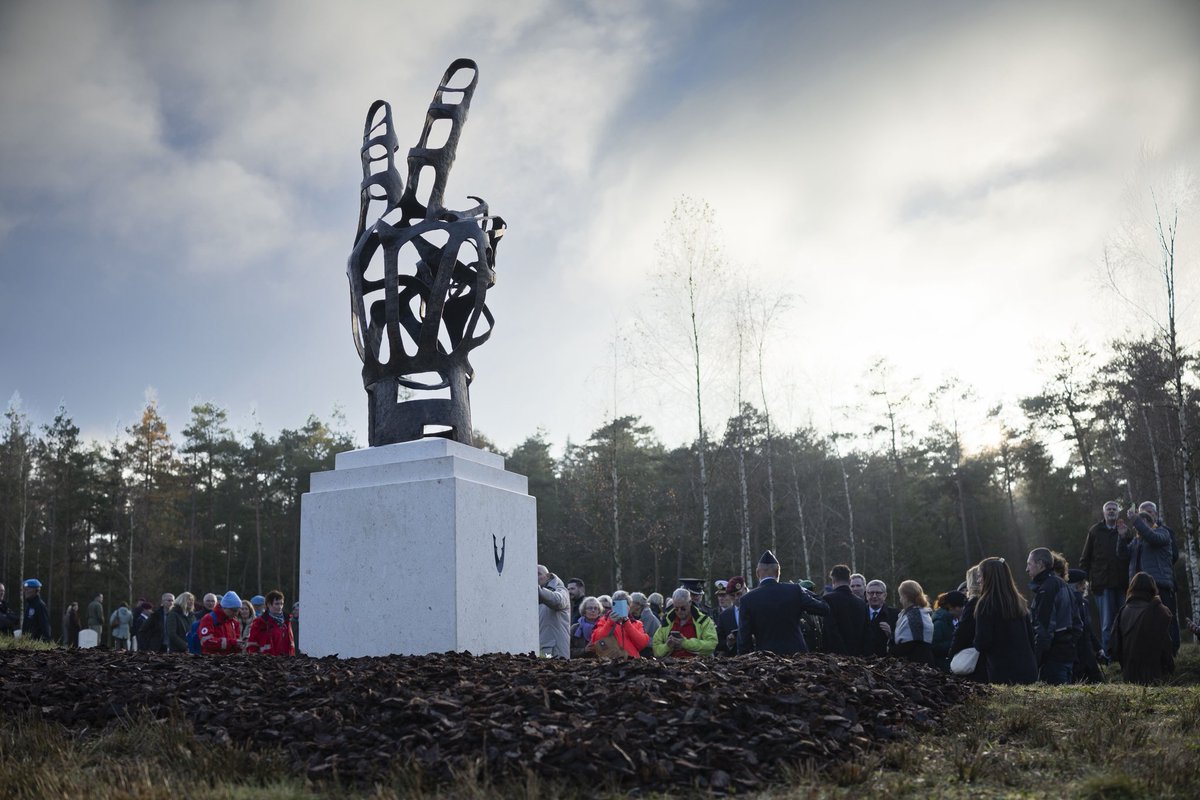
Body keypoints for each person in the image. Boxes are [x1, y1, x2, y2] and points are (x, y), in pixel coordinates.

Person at [738, 550, 829, 655]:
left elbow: (744, 639)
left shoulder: (747, 599)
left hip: (766, 657)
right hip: (796, 655)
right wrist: (805, 590)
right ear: (778, 572)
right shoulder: (794, 590)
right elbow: (824, 608)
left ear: (757, 573)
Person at [1117, 502, 1179, 653]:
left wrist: (1136, 520)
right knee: (1145, 623)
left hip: (1160, 586)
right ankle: (1152, 655)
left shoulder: (1163, 532)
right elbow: (1122, 555)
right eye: (1141, 517)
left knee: (1165, 620)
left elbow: (1152, 537)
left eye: (1147, 517)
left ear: (1154, 518)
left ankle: (1172, 653)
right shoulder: (1136, 540)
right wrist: (1122, 537)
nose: (1142, 521)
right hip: (1139, 589)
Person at [973, 557, 1037, 685]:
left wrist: (975, 643)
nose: (978, 580)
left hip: (1002, 672)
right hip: (1027, 668)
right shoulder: (1019, 601)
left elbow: (983, 641)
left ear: (988, 577)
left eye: (980, 576)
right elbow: (1031, 637)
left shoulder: (986, 604)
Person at [1079, 500, 1130, 656]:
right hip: (1102, 584)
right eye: (1108, 509)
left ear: (1118, 512)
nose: (1111, 511)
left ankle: (1125, 653)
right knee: (1107, 623)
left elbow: (1131, 555)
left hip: (1123, 584)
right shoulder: (1095, 531)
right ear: (1104, 513)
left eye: (1114, 509)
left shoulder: (1125, 531)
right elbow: (1085, 558)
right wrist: (1082, 580)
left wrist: (1124, 536)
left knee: (1125, 620)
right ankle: (1109, 656)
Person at [1026, 547, 1082, 685]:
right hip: (1066, 656)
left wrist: (1035, 662)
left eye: (1029, 564)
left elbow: (1044, 630)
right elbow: (1078, 625)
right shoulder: (1063, 584)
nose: (1027, 569)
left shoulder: (1047, 589)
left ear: (1040, 564)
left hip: (1053, 660)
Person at [1110, 572, 1175, 684]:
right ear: (1152, 588)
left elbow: (1114, 648)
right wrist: (1170, 668)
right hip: (1153, 678)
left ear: (1132, 588)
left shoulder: (1122, 612)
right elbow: (1165, 646)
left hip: (1129, 678)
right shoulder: (1158, 611)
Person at [652, 587, 716, 658]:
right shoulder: (666, 621)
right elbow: (655, 649)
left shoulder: (704, 621)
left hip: (697, 663)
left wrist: (685, 643)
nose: (679, 611)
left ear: (690, 603)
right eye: (676, 609)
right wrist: (667, 646)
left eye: (683, 608)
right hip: (670, 663)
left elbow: (712, 644)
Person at [949, 565, 987, 681]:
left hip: (974, 658)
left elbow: (962, 632)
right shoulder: (988, 601)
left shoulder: (973, 603)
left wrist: (951, 653)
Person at [822, 564, 870, 656]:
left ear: (833, 580)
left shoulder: (828, 599)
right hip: (858, 655)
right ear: (849, 580)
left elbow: (830, 630)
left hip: (836, 656)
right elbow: (866, 631)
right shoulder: (861, 603)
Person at [592, 590, 651, 659]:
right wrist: (609, 623)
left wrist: (627, 623)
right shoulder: (604, 620)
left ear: (629, 606)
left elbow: (642, 644)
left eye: (624, 605)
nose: (621, 608)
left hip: (633, 662)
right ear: (613, 606)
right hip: (610, 662)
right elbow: (596, 639)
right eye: (617, 605)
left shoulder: (637, 623)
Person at [1068, 569, 1103, 682]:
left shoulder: (1085, 603)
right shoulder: (1070, 603)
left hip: (1088, 653)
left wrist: (1098, 648)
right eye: (1081, 584)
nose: (1084, 587)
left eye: (1084, 584)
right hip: (1075, 654)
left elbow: (1089, 629)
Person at [890, 580, 935, 665]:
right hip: (917, 661)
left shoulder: (915, 615)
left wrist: (892, 649)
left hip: (916, 663)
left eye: (901, 596)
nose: (900, 600)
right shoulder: (917, 613)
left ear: (906, 597)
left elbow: (914, 644)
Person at [247, 590, 295, 656]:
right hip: (266, 660)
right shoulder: (259, 622)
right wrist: (255, 659)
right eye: (277, 604)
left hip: (286, 660)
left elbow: (291, 644)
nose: (280, 607)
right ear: (269, 604)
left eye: (281, 604)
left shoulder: (287, 621)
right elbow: (252, 644)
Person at [537, 564, 571, 659]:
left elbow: (558, 601)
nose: (534, 577)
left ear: (548, 576)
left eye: (538, 574)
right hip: (542, 648)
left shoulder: (561, 590)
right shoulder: (534, 594)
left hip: (555, 650)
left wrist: (538, 590)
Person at [198, 591, 245, 655]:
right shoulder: (209, 619)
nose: (236, 613)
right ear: (224, 607)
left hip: (229, 658)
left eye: (238, 611)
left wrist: (239, 645)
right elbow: (206, 642)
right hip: (211, 659)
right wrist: (232, 643)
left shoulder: (233, 622)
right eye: (234, 610)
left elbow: (235, 640)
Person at [931, 591, 966, 670]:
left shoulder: (951, 620)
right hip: (943, 666)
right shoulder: (939, 622)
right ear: (952, 607)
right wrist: (955, 643)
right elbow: (935, 646)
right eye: (962, 607)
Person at [864, 579, 898, 657]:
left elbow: (901, 642)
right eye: (871, 593)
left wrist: (891, 634)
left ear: (885, 595)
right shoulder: (859, 612)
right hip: (861, 659)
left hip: (885, 660)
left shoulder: (895, 614)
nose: (874, 596)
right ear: (866, 595)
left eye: (878, 593)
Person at [715, 575, 748, 656]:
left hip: (757, 658)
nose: (736, 598)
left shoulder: (756, 609)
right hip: (734, 660)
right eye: (732, 595)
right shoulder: (724, 616)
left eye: (739, 594)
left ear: (745, 590)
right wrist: (728, 643)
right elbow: (718, 643)